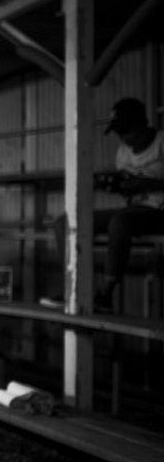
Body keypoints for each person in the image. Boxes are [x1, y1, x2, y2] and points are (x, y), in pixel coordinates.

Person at [44, 98, 164, 311]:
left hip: (159, 211)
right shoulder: (123, 152)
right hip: (135, 209)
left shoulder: (162, 142)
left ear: (142, 124)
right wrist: (118, 186)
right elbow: (128, 190)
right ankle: (77, 289)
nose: (125, 138)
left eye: (128, 131)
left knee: (119, 223)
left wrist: (148, 184)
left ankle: (105, 295)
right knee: (65, 222)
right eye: (120, 133)